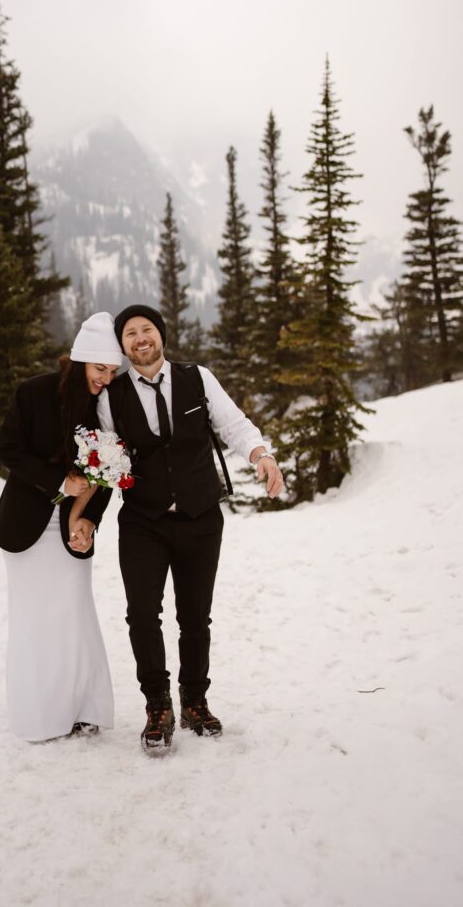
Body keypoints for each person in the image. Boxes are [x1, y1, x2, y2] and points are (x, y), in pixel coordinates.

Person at [96, 304, 284, 751]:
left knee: (195, 617)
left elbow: (234, 424)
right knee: (142, 615)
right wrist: (84, 517)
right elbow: (105, 461)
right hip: (143, 522)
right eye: (130, 335)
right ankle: (157, 706)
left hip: (200, 518)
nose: (140, 339)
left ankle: (195, 700)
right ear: (121, 347)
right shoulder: (111, 397)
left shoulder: (197, 377)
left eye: (147, 330)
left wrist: (261, 455)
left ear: (160, 335)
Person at [0, 312, 123, 741]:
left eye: (112, 371)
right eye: (100, 368)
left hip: (70, 529)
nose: (105, 378)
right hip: (26, 523)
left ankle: (85, 709)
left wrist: (89, 518)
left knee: (75, 612)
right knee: (33, 617)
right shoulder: (32, 392)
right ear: (82, 359)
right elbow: (8, 449)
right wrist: (58, 481)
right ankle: (41, 716)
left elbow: (108, 472)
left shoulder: (105, 406)